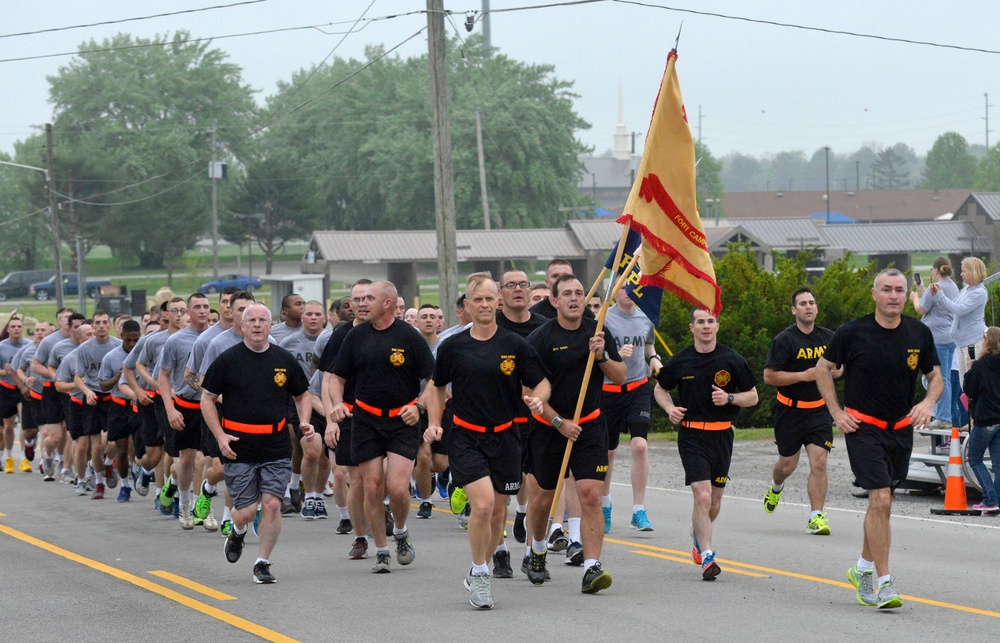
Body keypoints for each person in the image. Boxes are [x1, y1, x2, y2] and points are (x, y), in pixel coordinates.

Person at [815, 268, 941, 609]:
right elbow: (822, 369)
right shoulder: (852, 332)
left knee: (882, 506)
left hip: (900, 429)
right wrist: (836, 412)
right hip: (862, 427)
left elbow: (935, 375)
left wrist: (927, 402)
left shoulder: (918, 332)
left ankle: (862, 568)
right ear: (874, 294)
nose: (894, 296)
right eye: (886, 289)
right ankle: (885, 583)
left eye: (900, 290)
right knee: (881, 500)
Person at [424, 273, 550, 609]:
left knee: (497, 513)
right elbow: (436, 388)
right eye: (477, 300)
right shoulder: (453, 346)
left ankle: (478, 563)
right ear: (466, 306)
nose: (483, 305)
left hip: (507, 436)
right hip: (466, 435)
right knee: (482, 505)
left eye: (489, 299)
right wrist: (435, 423)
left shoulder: (514, 345)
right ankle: (481, 573)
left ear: (498, 302)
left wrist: (538, 400)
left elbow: (541, 383)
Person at [523, 274, 625, 594]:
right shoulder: (540, 338)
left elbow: (620, 377)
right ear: (554, 301)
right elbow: (529, 394)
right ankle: (537, 549)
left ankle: (592, 567)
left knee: (591, 494)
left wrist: (603, 356)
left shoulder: (597, 331)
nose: (574, 298)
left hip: (590, 425)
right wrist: (559, 423)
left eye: (579, 293)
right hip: (549, 427)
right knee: (542, 499)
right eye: (566, 293)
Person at [204, 303, 314, 584]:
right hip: (238, 444)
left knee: (272, 505)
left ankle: (262, 562)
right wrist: (220, 436)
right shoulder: (228, 360)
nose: (256, 325)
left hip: (276, 444)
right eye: (250, 320)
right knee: (246, 511)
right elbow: (206, 399)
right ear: (241, 326)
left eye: (262, 320)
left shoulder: (283, 359)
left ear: (269, 325)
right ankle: (238, 531)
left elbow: (303, 395)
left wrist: (303, 421)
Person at [329, 281, 435, 573]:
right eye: (359, 299)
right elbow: (337, 378)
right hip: (366, 420)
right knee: (372, 487)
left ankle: (400, 531)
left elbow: (433, 382)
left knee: (398, 488)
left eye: (369, 299)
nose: (361, 304)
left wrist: (419, 407)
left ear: (388, 303)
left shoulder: (409, 337)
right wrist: (337, 403)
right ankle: (382, 550)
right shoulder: (354, 336)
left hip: (402, 420)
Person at [654, 308, 758, 581]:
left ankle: (696, 532)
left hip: (722, 435)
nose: (706, 326)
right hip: (692, 436)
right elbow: (659, 388)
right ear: (692, 328)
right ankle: (708, 557)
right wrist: (669, 409)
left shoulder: (732, 359)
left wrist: (731, 399)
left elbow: (753, 396)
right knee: (702, 496)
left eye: (710, 321)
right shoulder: (681, 360)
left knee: (714, 502)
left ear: (717, 326)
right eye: (700, 322)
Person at [762, 288, 841, 535]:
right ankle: (776, 486)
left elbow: (840, 368)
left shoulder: (829, 338)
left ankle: (816, 517)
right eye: (803, 303)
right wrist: (803, 376)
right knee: (787, 465)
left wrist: (838, 371)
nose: (809, 307)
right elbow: (769, 376)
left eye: (812, 303)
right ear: (794, 310)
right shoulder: (784, 340)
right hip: (789, 410)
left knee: (819, 462)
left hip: (818, 411)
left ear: (817, 308)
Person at [600, 288, 661, 533]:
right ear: (614, 291)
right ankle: (605, 504)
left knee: (640, 445)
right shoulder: (603, 318)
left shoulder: (645, 316)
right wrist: (615, 354)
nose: (628, 292)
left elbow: (648, 343)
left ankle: (638, 510)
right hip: (608, 391)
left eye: (633, 288)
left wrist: (654, 357)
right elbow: (595, 353)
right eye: (623, 287)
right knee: (609, 452)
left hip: (637, 387)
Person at [910, 257, 959, 431]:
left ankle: (943, 416)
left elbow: (921, 309)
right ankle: (942, 412)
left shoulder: (936, 287)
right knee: (942, 376)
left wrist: (915, 297)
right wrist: (923, 289)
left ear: (936, 270)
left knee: (938, 377)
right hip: (950, 336)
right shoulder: (952, 286)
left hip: (937, 338)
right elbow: (935, 303)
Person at [930, 257, 987, 387]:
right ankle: (969, 407)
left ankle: (973, 407)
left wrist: (941, 296)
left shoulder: (979, 293)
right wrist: (937, 296)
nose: (961, 274)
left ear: (973, 272)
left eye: (964, 271)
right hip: (961, 344)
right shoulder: (966, 290)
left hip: (972, 344)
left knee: (973, 385)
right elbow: (952, 305)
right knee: (964, 385)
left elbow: (960, 310)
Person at [961, 326, 1000, 514]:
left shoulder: (980, 365)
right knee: (998, 462)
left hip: (985, 419)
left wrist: (969, 369)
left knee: (974, 459)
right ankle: (997, 500)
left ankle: (990, 499)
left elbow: (969, 390)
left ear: (987, 341)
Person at [0, 316, 31, 473]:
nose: (16, 329)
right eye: (13, 326)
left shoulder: (29, 345)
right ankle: (9, 458)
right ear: (9, 329)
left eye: (19, 326)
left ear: (22, 328)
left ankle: (24, 458)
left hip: (23, 389)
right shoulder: (2, 346)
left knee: (25, 424)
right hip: (6, 388)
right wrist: (4, 371)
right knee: (8, 426)